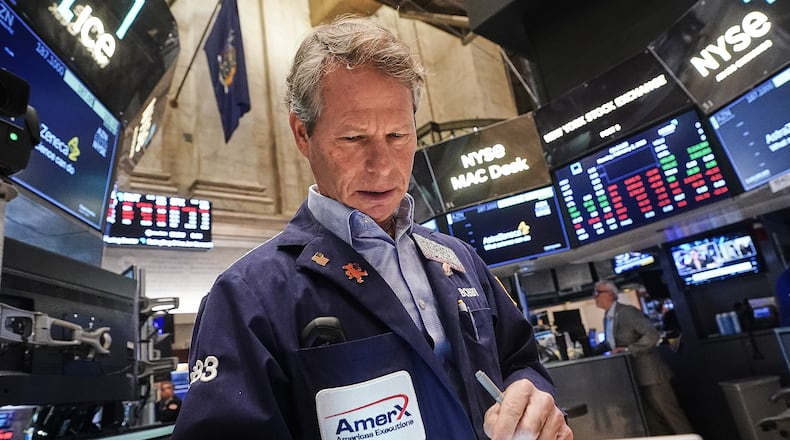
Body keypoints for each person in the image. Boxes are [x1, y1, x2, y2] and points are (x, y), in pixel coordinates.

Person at [173, 15, 572, 440]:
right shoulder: (247, 296)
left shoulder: (460, 260)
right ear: (302, 135)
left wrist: (533, 402)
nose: (382, 166)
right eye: (353, 138)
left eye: (398, 135)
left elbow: (520, 361)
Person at [592, 280, 693, 435]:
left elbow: (652, 335)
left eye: (598, 293)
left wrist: (629, 349)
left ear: (611, 294)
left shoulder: (627, 312)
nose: (595, 297)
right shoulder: (608, 317)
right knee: (653, 422)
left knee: (671, 416)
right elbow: (611, 342)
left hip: (651, 375)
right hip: (634, 377)